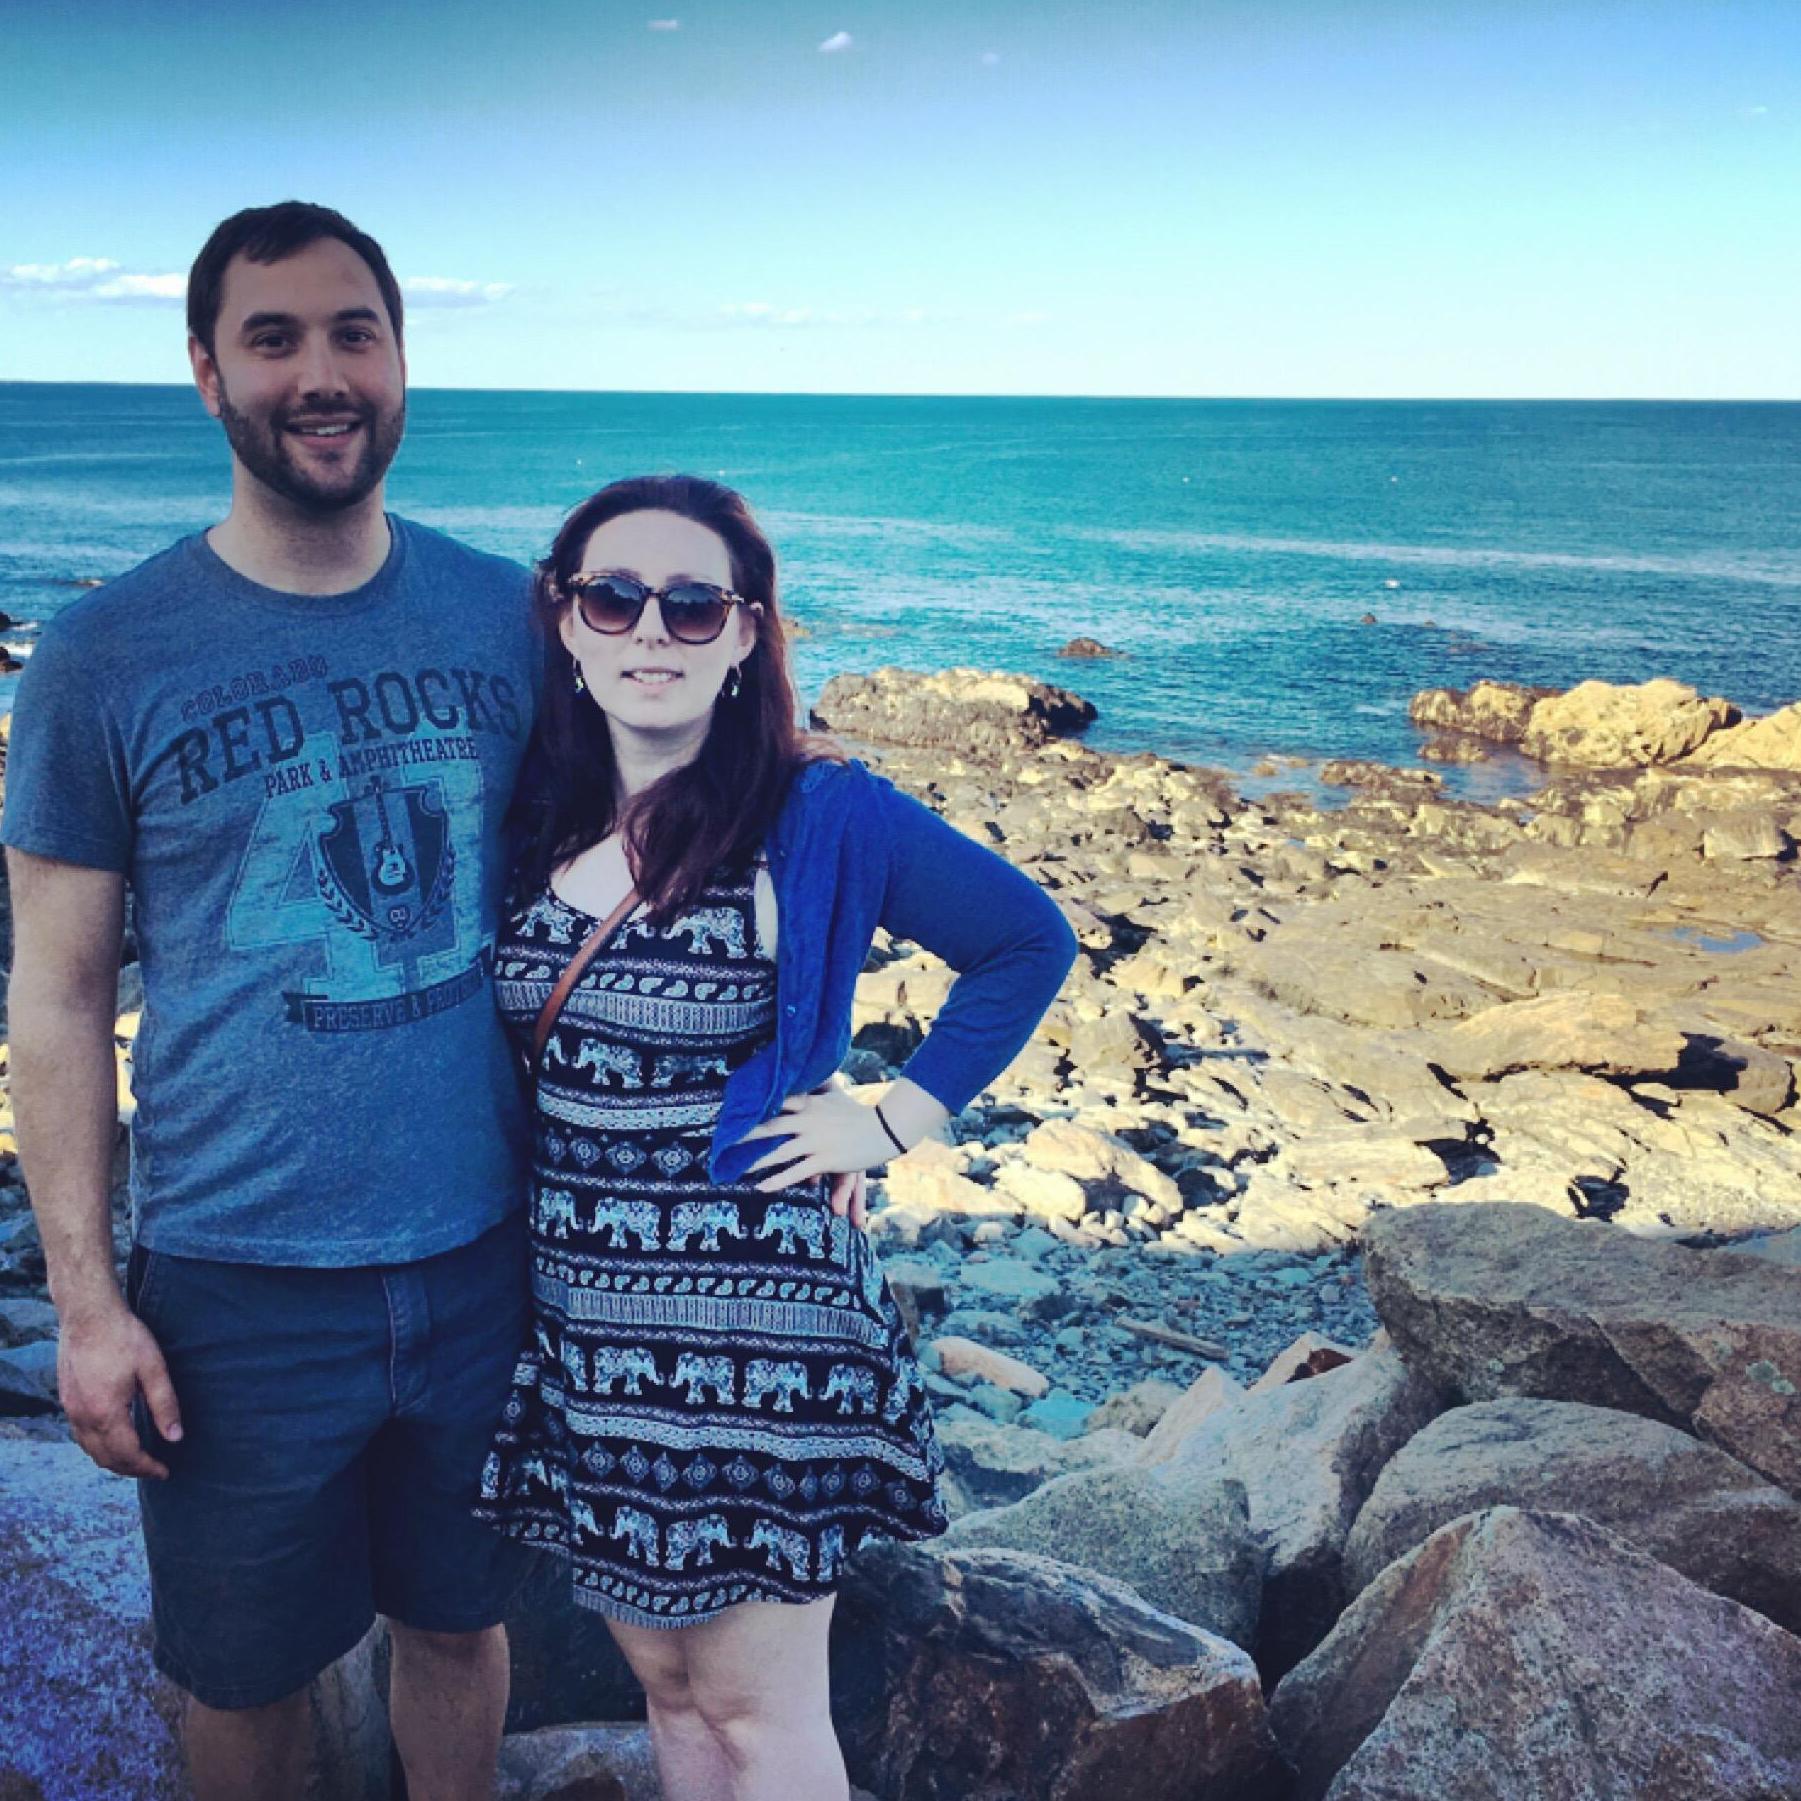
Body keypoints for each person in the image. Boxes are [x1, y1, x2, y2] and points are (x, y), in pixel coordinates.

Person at [1, 202, 539, 1801]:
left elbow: (639, 872)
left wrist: (832, 1089)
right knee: (238, 1676)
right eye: (274, 337)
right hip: (232, 1284)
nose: (321, 373)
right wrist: (90, 1307)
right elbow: (56, 989)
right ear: (203, 370)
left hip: (480, 1254)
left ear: (399, 357)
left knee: (460, 1622)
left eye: (352, 333)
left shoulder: (509, 615)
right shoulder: (103, 653)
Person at [476, 474, 1078, 1800]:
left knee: (758, 1707)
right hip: (588, 1323)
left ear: (746, 633)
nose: (650, 628)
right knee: (671, 1694)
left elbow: (1026, 942)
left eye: (693, 605)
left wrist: (886, 1118)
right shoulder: (536, 814)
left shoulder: (815, 812)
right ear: (565, 622)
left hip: (758, 1333)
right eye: (612, 596)